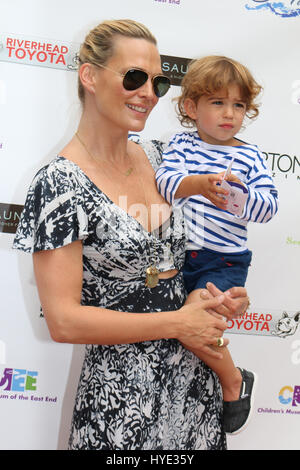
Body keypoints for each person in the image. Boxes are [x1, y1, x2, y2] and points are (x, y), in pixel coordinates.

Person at [13, 22, 250, 450]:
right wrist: (179, 322)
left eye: (158, 82)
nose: (149, 93)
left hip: (194, 393)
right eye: (134, 77)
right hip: (120, 401)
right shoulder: (58, 184)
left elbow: (191, 260)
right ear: (89, 76)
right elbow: (64, 321)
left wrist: (218, 296)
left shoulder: (163, 159)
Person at [156, 55, 279, 434]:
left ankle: (233, 380)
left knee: (195, 323)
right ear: (191, 107)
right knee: (183, 329)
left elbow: (269, 206)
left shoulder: (249, 155)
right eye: (218, 102)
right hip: (176, 260)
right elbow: (165, 181)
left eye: (238, 105)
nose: (230, 113)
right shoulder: (179, 144)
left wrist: (239, 198)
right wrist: (198, 184)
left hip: (222, 263)